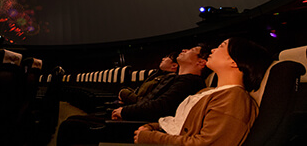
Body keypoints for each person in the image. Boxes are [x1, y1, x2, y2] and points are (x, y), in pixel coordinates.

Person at [56, 44, 211, 146]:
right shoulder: (177, 78)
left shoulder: (190, 81)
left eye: (191, 50)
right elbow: (150, 100)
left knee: (71, 126)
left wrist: (125, 111)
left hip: (141, 124)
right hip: (137, 117)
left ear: (200, 63)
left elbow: (161, 107)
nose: (184, 50)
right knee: (73, 120)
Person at [133, 37, 272, 146]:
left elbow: (205, 144)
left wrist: (150, 137)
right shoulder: (209, 91)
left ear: (234, 62)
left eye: (221, 46)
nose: (212, 50)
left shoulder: (234, 99)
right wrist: (151, 127)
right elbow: (178, 123)